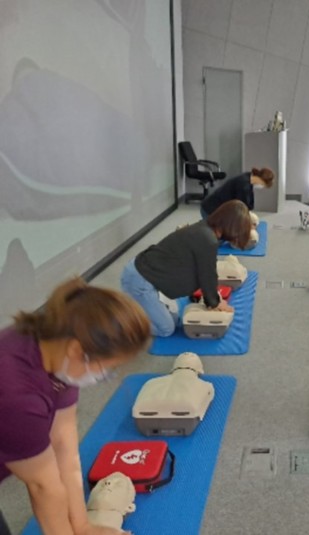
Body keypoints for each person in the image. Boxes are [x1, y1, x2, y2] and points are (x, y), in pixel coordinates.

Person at [0, 278, 151, 535]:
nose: (102, 377)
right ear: (77, 350)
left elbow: (65, 449)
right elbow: (44, 488)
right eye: (107, 369)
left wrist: (82, 526)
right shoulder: (17, 394)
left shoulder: (58, 350)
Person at [122, 200, 251, 336]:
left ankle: (139, 309)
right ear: (231, 226)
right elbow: (207, 275)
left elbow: (205, 271)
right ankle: (121, 323)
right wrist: (216, 303)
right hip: (139, 279)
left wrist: (213, 300)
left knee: (177, 320)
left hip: (147, 273)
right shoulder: (207, 239)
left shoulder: (206, 229)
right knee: (166, 329)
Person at [200, 168, 274, 218]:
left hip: (216, 207)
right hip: (211, 210)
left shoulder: (248, 177)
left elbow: (248, 204)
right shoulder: (243, 184)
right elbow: (241, 208)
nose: (261, 187)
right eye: (263, 185)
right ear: (260, 179)